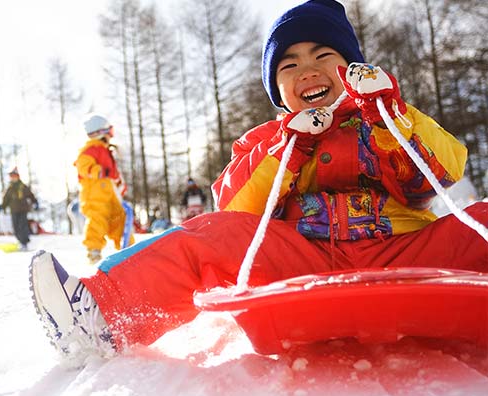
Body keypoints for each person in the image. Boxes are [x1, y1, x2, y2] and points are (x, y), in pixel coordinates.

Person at [29, 0, 488, 362]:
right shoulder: (266, 139)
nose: (306, 69)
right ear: (278, 90)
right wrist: (288, 149)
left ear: (352, 69)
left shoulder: (389, 115)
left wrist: (391, 117)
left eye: (323, 55)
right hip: (301, 259)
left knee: (480, 220)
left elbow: (442, 174)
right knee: (208, 234)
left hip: (403, 252)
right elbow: (237, 207)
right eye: (288, 66)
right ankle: (102, 314)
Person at [74, 114, 134, 263]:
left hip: (110, 195)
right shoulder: (90, 149)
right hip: (94, 195)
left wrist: (120, 184)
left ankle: (128, 251)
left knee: (120, 219)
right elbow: (82, 165)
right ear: (100, 132)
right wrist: (97, 171)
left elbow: (113, 174)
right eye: (110, 132)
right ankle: (94, 251)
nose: (111, 136)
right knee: (97, 221)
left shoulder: (106, 151)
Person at [0, 168, 37, 251]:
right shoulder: (10, 188)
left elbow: (30, 195)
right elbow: (6, 200)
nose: (12, 178)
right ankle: (21, 242)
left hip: (23, 210)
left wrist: (35, 202)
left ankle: (24, 243)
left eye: (14, 176)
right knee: (15, 227)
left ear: (18, 177)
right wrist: (1, 207)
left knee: (22, 226)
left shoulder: (22, 186)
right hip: (14, 211)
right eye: (11, 176)